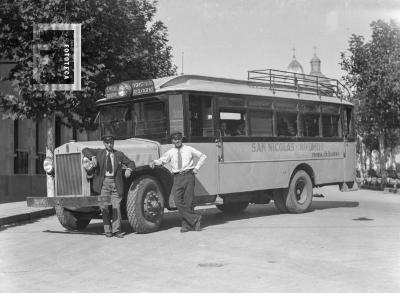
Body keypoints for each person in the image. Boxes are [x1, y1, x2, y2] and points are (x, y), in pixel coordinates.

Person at [149, 131, 207, 233]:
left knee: (188, 201)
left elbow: (203, 156)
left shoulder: (189, 149)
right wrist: (154, 162)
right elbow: (162, 160)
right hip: (177, 178)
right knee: (177, 201)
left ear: (181, 139)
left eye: (179, 138)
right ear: (172, 141)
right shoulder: (171, 152)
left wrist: (196, 168)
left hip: (189, 176)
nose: (177, 141)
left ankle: (186, 225)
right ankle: (195, 218)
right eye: (175, 139)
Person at [82, 133, 135, 238]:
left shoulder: (119, 154)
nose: (109, 145)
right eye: (107, 143)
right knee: (104, 207)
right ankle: (107, 230)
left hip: (116, 184)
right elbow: (84, 150)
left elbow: (131, 163)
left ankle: (116, 230)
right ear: (104, 143)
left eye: (111, 143)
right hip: (104, 184)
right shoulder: (99, 153)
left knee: (116, 208)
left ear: (113, 143)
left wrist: (129, 169)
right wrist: (92, 157)